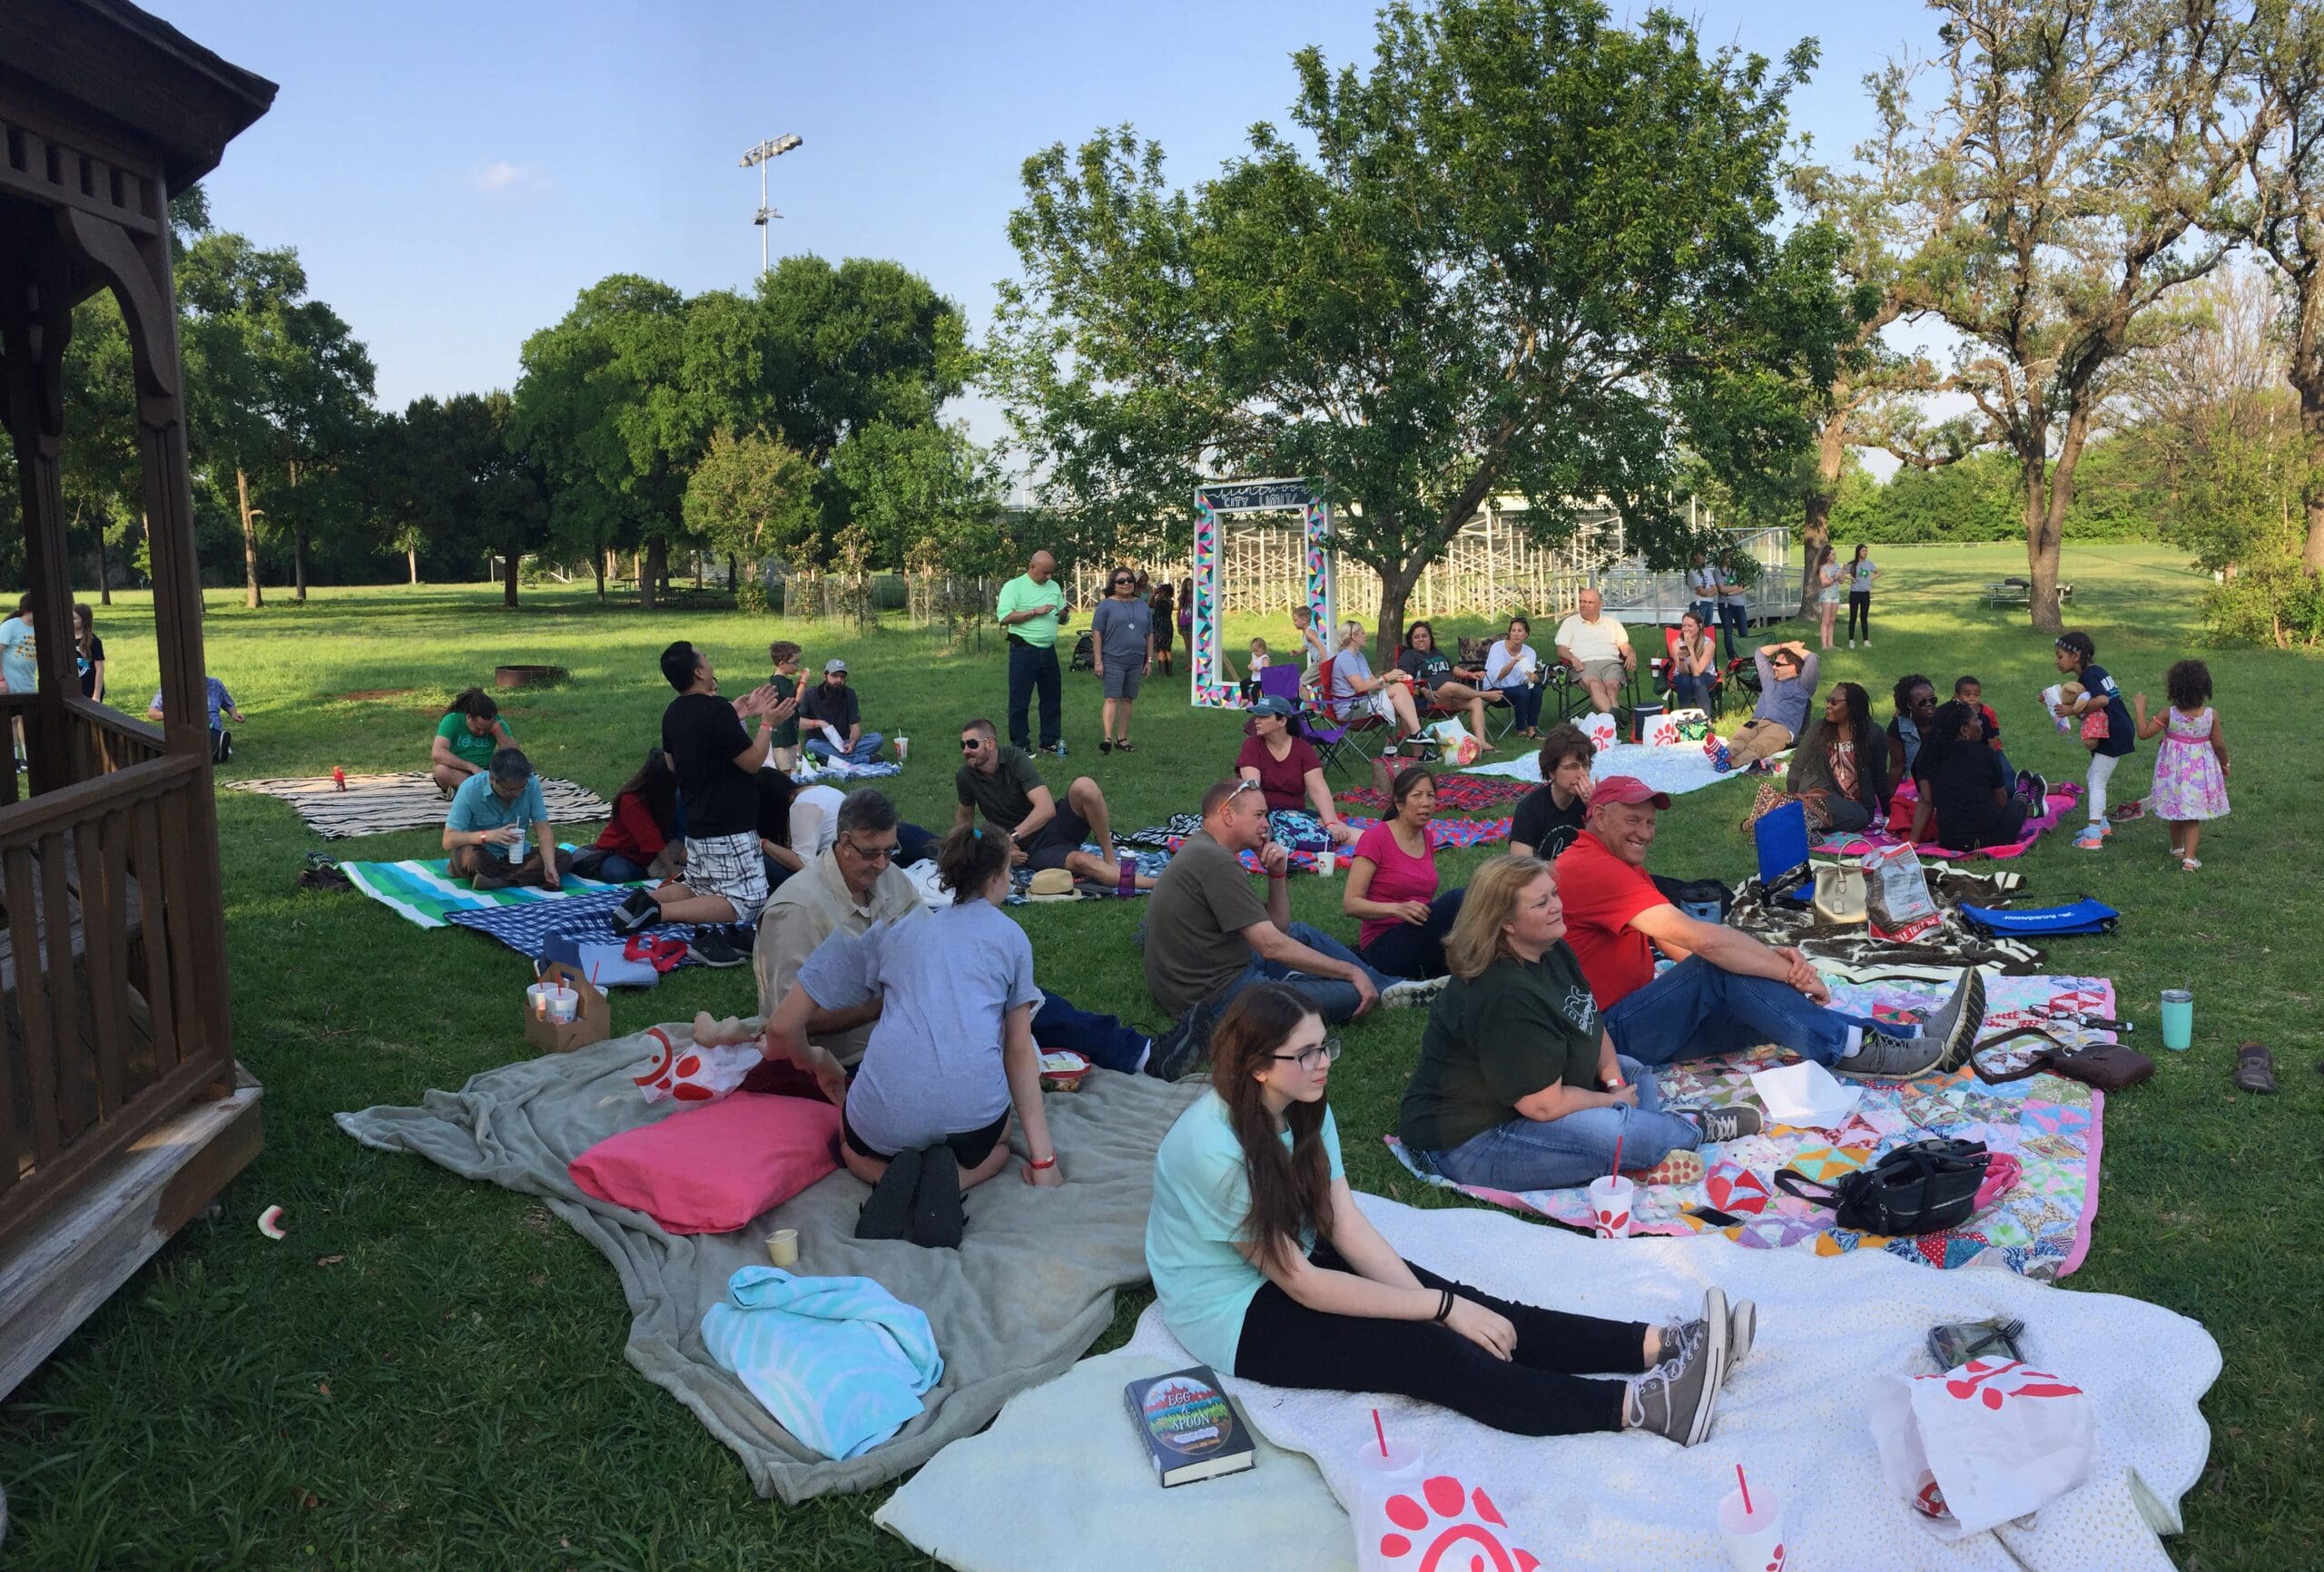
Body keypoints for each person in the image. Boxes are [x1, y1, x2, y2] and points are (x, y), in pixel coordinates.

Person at [1147, 983, 1735, 1447]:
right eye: (1305, 1054)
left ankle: (1662, 1344)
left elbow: (1344, 1223)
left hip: (1296, 1250)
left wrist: (1445, 1305)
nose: (1323, 1062)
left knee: (1477, 1309)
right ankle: (1646, 1408)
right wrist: (1437, 1312)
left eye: (1325, 1045)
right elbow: (1301, 1284)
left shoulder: (1301, 1102)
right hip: (1233, 1311)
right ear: (1257, 1066)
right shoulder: (1213, 1151)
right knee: (1427, 1354)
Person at [1556, 775, 1984, 1077]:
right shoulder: (1591, 867)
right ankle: (1851, 1051)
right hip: (1607, 1040)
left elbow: (1674, 943)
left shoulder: (1616, 863)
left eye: (1650, 822)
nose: (1645, 833)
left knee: (1759, 997)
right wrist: (1785, 971)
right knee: (1721, 967)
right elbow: (1703, 942)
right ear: (1599, 817)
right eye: (1633, 820)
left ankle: (1914, 1036)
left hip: (1636, 1022)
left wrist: (1763, 969)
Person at [757, 825, 1061, 1248]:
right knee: (1000, 1144)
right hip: (972, 1121)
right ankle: (951, 1180)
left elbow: (781, 1025)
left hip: (884, 1121)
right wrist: (1044, 1162)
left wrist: (818, 1061)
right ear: (996, 877)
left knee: (849, 1145)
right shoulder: (1011, 938)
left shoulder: (895, 932)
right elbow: (1019, 1052)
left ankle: (887, 1178)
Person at [1400, 855, 1762, 1194]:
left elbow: (1590, 1021)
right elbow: (1543, 1107)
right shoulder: (1504, 993)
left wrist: (1615, 1083)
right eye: (1541, 903)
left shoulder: (1552, 949)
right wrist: (1611, 1103)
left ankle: (1639, 1154)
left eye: (1554, 894)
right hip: (1470, 1141)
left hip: (1534, 1097)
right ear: (1506, 923)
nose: (1556, 906)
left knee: (1632, 1071)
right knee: (1615, 1131)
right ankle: (1690, 1129)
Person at [752, 789, 1157, 1076]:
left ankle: (1142, 1053)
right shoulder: (797, 909)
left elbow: (927, 937)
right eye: (871, 853)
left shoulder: (886, 875)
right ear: (843, 843)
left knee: (1021, 999)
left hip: (913, 1015)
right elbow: (788, 1023)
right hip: (861, 1054)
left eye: (890, 851)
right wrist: (881, 1004)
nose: (882, 864)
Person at [1145, 777, 1437, 1079]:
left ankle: (1387, 986)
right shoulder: (1216, 862)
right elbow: (1271, 945)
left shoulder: (1206, 850)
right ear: (1228, 815)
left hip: (1206, 977)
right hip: (1216, 998)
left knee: (1299, 931)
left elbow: (1280, 928)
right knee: (1354, 993)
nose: (1266, 824)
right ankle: (1380, 985)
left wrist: (1277, 875)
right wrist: (1351, 972)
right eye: (1259, 815)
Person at [610, 641, 793, 964]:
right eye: (705, 658)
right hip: (730, 824)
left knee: (700, 884)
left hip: (697, 821)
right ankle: (658, 912)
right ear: (698, 672)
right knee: (747, 900)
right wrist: (767, 724)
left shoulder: (673, 713)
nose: (710, 662)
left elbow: (672, 764)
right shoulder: (717, 710)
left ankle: (643, 901)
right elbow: (753, 762)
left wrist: (736, 715)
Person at [954, 717, 1151, 889]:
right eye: (962, 745)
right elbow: (964, 822)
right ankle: (1157, 885)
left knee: (1084, 786)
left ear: (990, 743)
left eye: (972, 744)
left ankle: (1110, 859)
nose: (966, 751)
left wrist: (1010, 838)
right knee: (1084, 861)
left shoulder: (1015, 759)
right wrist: (998, 851)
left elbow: (1046, 808)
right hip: (1034, 849)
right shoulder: (966, 776)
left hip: (1055, 823)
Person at [1344, 766, 1465, 980]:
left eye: (1430, 795)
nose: (1425, 803)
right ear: (1399, 803)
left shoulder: (1427, 837)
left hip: (1418, 931)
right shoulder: (1376, 837)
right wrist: (1397, 909)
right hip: (1382, 944)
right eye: (1417, 796)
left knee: (1481, 898)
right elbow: (1351, 904)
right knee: (1459, 899)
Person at [2135, 659, 2230, 872]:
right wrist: (2225, 763)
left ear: (2174, 688)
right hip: (2199, 774)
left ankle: (2178, 848)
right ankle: (2189, 859)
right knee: (2192, 816)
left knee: (2175, 808)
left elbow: (2143, 733)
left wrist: (2140, 709)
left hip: (2173, 772)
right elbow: (2219, 745)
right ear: (2204, 688)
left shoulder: (2168, 714)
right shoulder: (2211, 715)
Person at [1235, 693, 1359, 847]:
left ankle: (1380, 846)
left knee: (1342, 832)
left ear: (1282, 721)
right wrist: (1261, 821)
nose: (1256, 720)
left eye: (1264, 716)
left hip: (1296, 816)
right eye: (1256, 715)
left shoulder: (1303, 749)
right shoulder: (1252, 745)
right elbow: (1251, 788)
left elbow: (1318, 789)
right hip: (1263, 816)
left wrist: (1331, 822)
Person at [443, 747, 572, 890]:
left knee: (563, 858)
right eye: (510, 789)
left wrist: (549, 866)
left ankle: (501, 881)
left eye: (521, 787)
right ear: (493, 779)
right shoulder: (470, 789)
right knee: (469, 858)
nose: (517, 793)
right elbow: (448, 840)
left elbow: (543, 830)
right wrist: (488, 836)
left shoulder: (532, 784)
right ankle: (519, 877)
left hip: (518, 855)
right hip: (484, 853)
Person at [2051, 631, 2135, 850]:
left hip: (2113, 733)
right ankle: (2102, 824)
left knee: (2096, 781)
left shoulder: (2088, 676)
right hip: (2115, 729)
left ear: (2075, 656)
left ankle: (2094, 836)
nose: (2057, 661)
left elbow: (2102, 700)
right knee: (2094, 777)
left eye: (2060, 656)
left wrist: (2071, 710)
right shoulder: (2096, 671)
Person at [1908, 701, 2027, 852]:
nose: (1981, 724)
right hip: (1995, 837)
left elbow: (1926, 800)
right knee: (2016, 806)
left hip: (1951, 840)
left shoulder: (1926, 756)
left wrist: (1912, 842)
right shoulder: (1987, 754)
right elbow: (2001, 801)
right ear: (1964, 730)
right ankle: (2027, 800)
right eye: (1976, 720)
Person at [1784, 681, 1888, 832]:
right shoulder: (1819, 729)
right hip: (1819, 793)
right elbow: (1797, 765)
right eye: (1828, 700)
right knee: (1822, 805)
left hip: (1854, 805)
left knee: (1863, 818)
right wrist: (1793, 798)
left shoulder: (1873, 734)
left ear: (1852, 706)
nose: (1828, 705)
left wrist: (1888, 813)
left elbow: (1880, 776)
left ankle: (1804, 820)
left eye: (1834, 702)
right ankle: (1801, 816)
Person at [996, 550, 1071, 756]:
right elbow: (1005, 617)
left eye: (1051, 572)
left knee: (1051, 698)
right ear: (1032, 568)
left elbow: (1063, 619)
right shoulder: (1014, 586)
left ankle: (1049, 741)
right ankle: (1020, 744)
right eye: (1045, 572)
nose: (1049, 576)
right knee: (1020, 700)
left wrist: (1063, 615)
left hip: (1048, 650)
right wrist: (1034, 612)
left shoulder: (1054, 587)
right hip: (1023, 649)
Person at [1322, 619, 1428, 754]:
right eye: (1362, 633)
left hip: (1365, 703)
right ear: (1353, 637)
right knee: (1401, 697)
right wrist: (1387, 677)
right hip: (1350, 711)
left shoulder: (1358, 656)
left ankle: (1419, 748)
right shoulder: (1346, 659)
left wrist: (1389, 685)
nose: (1366, 635)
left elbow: (1373, 681)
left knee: (1402, 697)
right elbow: (1360, 687)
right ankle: (1417, 735)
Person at [1709, 642, 1817, 773]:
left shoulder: (1803, 685)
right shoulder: (1769, 677)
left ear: (1792, 668)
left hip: (1781, 726)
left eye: (1778, 664)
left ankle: (1730, 764)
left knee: (1756, 746)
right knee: (1740, 738)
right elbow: (1760, 654)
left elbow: (1812, 658)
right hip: (1757, 721)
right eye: (1774, 663)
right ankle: (1725, 753)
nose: (1774, 667)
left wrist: (1795, 650)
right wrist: (1784, 646)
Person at [586, 748, 683, 883]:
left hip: (657, 851)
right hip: (622, 853)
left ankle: (652, 870)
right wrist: (673, 872)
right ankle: (649, 870)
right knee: (618, 873)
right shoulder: (630, 801)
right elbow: (652, 838)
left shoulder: (673, 796)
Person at [1396, 621, 1502, 745]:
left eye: (1424, 636)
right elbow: (1406, 679)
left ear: (1430, 638)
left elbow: (1451, 668)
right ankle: (1484, 695)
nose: (1421, 639)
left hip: (1452, 699)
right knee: (1449, 686)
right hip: (1431, 700)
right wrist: (1424, 691)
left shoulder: (1436, 652)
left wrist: (1469, 675)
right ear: (1411, 640)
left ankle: (1482, 743)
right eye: (1416, 637)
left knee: (1476, 702)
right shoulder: (1409, 656)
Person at [1089, 564, 1153, 754]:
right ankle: (1107, 738)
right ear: (1114, 585)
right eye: (1121, 581)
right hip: (1113, 658)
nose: (1126, 584)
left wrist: (1149, 660)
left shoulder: (1142, 606)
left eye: (1129, 580)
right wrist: (1098, 661)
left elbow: (1149, 634)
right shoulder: (1106, 605)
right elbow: (1097, 633)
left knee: (1128, 699)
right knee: (1111, 698)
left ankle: (1122, 738)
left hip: (1136, 659)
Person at [1508, 724, 1594, 861]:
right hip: (1542, 874)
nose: (1582, 774)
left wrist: (1593, 809)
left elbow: (1610, 854)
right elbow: (1520, 868)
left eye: (1585, 765)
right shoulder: (1530, 809)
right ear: (1552, 771)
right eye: (1572, 767)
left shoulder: (1591, 803)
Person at [1555, 589, 1635, 715]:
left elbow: (1624, 646)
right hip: (1583, 663)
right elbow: (1561, 649)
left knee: (1612, 686)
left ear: (1600, 605)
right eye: (1581, 601)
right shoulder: (1570, 623)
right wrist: (1573, 659)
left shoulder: (1612, 623)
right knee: (1594, 685)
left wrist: (1631, 653)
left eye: (1589, 602)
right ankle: (1614, 716)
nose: (1583, 605)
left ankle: (1612, 716)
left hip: (1611, 662)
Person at [430, 687, 517, 795]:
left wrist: (498, 732)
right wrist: (471, 767)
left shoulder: (497, 723)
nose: (481, 732)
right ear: (469, 717)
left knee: (516, 771)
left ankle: (470, 790)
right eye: (478, 728)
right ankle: (489, 788)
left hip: (488, 771)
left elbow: (515, 755)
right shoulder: (452, 720)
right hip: (460, 770)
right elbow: (438, 753)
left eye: (486, 729)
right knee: (441, 771)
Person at [796, 659, 882, 767]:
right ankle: (865, 759)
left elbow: (855, 726)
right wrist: (819, 723)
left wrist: (852, 744)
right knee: (811, 746)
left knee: (877, 739)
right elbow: (797, 722)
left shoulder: (849, 694)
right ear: (825, 676)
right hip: (821, 743)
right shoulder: (810, 694)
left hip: (844, 743)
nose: (839, 680)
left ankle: (831, 759)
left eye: (842, 677)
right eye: (835, 676)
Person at [147, 673, 244, 762]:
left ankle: (218, 746)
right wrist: (176, 716)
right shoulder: (170, 687)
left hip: (212, 728)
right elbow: (152, 713)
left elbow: (228, 704)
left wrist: (234, 714)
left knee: (210, 734)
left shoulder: (215, 684)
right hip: (186, 729)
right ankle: (218, 749)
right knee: (193, 738)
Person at [1482, 616, 1545, 738]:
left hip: (1517, 688)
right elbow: (1499, 676)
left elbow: (1524, 680)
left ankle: (1531, 730)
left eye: (1520, 631)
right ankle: (1521, 731)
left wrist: (1533, 679)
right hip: (1495, 689)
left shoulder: (1530, 652)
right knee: (1523, 692)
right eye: (1513, 630)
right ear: (1509, 633)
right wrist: (1514, 661)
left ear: (1526, 634)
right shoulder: (1497, 648)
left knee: (1537, 690)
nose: (1516, 634)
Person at [1952, 674, 2016, 783]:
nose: (1972, 698)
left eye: (1976, 695)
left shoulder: (1988, 712)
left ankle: (2021, 788)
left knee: (2005, 773)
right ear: (1957, 696)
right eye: (1967, 694)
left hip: (1989, 749)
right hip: (1963, 751)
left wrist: (1987, 757)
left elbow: (1993, 739)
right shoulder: (1953, 713)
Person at [1886, 673, 1936, 784]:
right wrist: (1888, 795)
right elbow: (1897, 767)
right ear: (1909, 705)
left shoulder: (1945, 720)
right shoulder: (1898, 727)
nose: (1929, 704)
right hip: (1921, 785)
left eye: (1933, 699)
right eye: (1922, 702)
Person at [1666, 609, 1718, 715]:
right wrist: (1681, 660)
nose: (1685, 629)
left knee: (1697, 681)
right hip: (1684, 675)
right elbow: (1683, 672)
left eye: (1689, 626)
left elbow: (1697, 672)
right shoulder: (1678, 643)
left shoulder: (1708, 644)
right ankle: (1685, 716)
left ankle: (1705, 717)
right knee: (1685, 680)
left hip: (1706, 674)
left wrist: (1690, 648)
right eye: (1683, 626)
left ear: (1700, 626)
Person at [764, 641, 805, 773]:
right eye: (795, 662)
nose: (797, 665)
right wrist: (804, 681)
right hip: (784, 736)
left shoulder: (778, 680)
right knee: (786, 770)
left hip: (787, 733)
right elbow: (796, 699)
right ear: (782, 664)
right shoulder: (781, 682)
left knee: (788, 768)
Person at [1713, 553, 1751, 661]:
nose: (1730, 559)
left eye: (1732, 556)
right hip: (1725, 605)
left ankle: (1745, 654)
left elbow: (1742, 587)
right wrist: (1736, 588)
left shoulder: (1736, 571)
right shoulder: (1717, 571)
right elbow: (1721, 589)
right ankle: (1731, 657)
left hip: (1739, 604)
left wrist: (1729, 593)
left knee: (1743, 631)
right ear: (1723, 558)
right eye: (1728, 556)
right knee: (1728, 631)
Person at [1845, 545, 1880, 649]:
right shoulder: (1852, 564)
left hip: (1865, 593)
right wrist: (1850, 578)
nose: (1865, 553)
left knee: (1864, 617)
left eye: (1866, 551)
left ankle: (1866, 640)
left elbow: (1878, 573)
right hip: (1855, 593)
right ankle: (1851, 640)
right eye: (1863, 551)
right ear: (1858, 552)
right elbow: (1842, 574)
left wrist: (1870, 579)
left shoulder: (1869, 563)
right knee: (1853, 616)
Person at [1291, 603, 1329, 686]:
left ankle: (1305, 696)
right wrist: (1299, 652)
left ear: (1304, 620)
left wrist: (1325, 664)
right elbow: (1308, 646)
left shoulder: (1309, 633)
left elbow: (1320, 646)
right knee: (1313, 683)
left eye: (1295, 620)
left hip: (1321, 660)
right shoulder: (1307, 633)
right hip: (1321, 660)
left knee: (1302, 682)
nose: (1294, 623)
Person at [73, 603, 103, 702]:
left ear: (84, 620)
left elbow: (99, 669)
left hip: (89, 690)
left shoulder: (94, 641)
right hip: (72, 691)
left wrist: (96, 695)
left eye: (74, 618)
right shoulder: (65, 640)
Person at [1684, 549, 1722, 631]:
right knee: (1698, 629)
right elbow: (1701, 591)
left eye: (1705, 555)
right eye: (1701, 554)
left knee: (1708, 630)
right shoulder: (1692, 571)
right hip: (1698, 603)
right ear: (1695, 556)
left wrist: (1706, 593)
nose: (1704, 557)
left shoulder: (1706, 570)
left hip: (1709, 603)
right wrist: (1707, 592)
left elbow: (1715, 589)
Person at [1814, 553, 1844, 650]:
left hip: (1835, 595)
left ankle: (1831, 644)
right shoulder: (1822, 568)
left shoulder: (1837, 566)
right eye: (1833, 554)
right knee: (1826, 620)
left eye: (1835, 554)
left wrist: (1843, 572)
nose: (1835, 556)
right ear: (1827, 556)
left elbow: (1841, 581)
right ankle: (1824, 646)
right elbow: (1824, 583)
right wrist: (1834, 577)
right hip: (1826, 596)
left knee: (1832, 620)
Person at [1150, 579, 1177, 677]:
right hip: (1168, 625)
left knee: (1160, 649)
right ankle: (1169, 670)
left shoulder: (1160, 602)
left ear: (1164, 592)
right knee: (1167, 648)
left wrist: (1153, 594)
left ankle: (1162, 671)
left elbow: (1150, 604)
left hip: (1159, 626)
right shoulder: (1171, 602)